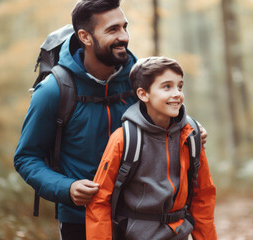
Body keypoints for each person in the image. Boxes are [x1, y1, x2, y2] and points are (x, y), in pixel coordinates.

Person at [14, 0, 207, 239]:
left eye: (125, 27)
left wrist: (190, 127)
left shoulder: (137, 78)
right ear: (85, 36)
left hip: (140, 219)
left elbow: (164, 114)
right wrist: (67, 187)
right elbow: (26, 158)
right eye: (112, 29)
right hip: (81, 220)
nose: (124, 36)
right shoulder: (54, 91)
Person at [86, 56, 217, 240]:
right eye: (166, 87)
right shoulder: (123, 139)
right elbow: (100, 201)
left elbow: (203, 195)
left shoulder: (191, 134)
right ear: (143, 94)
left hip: (179, 234)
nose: (177, 93)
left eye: (180, 86)